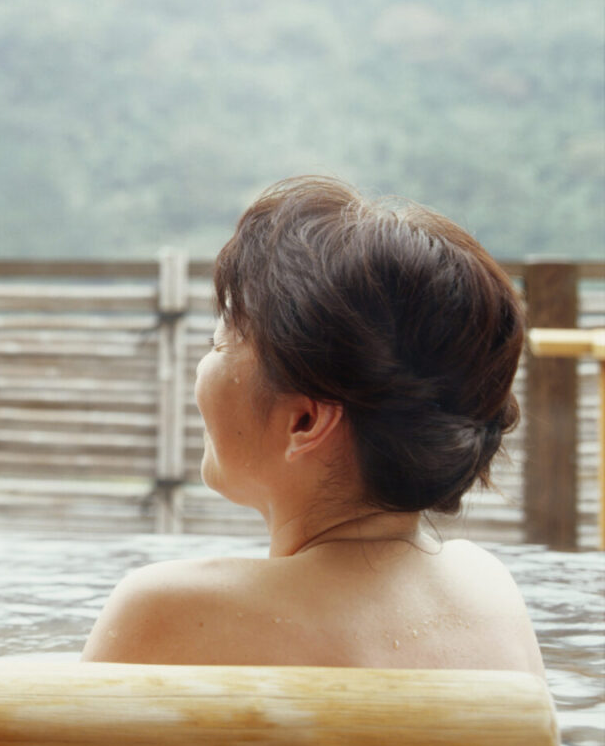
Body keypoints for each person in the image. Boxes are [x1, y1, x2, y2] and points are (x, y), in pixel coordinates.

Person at [82, 177, 545, 676]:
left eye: (220, 343)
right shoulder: (488, 592)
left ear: (304, 421)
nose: (201, 367)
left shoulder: (169, 613)